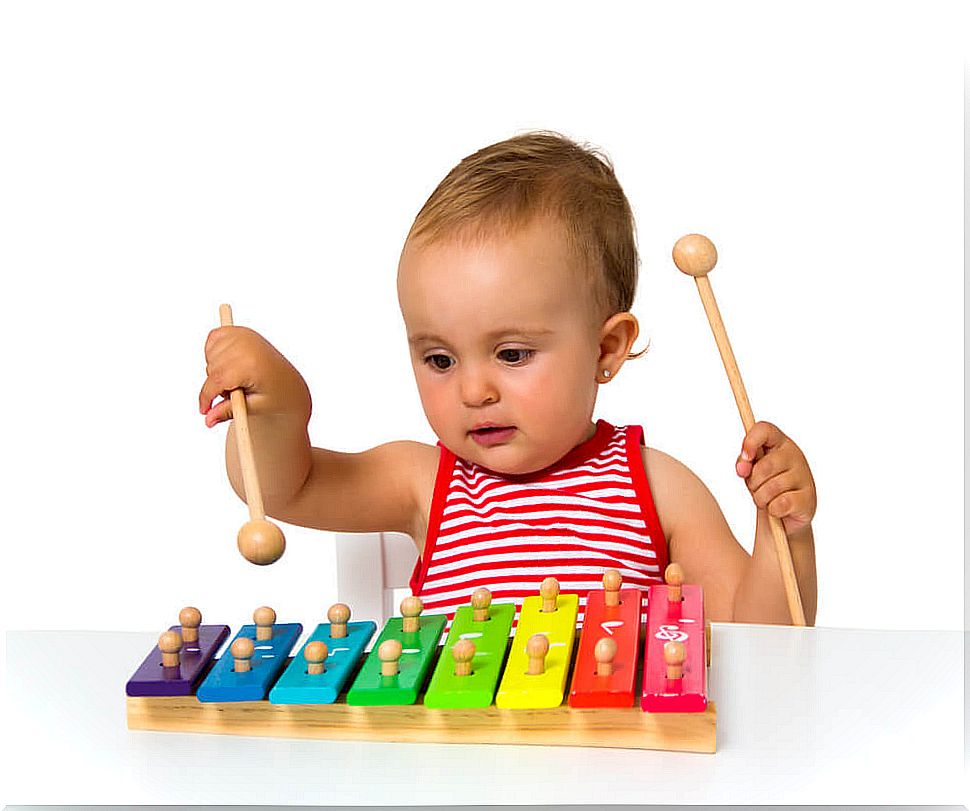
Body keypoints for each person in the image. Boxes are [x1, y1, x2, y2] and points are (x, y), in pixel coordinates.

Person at [199, 131, 817, 625]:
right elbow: (287, 487)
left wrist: (782, 527)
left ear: (607, 347)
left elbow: (762, 642)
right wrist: (280, 408)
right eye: (439, 360)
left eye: (513, 354)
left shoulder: (657, 488)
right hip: (458, 776)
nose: (473, 391)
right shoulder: (423, 482)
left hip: (619, 774)